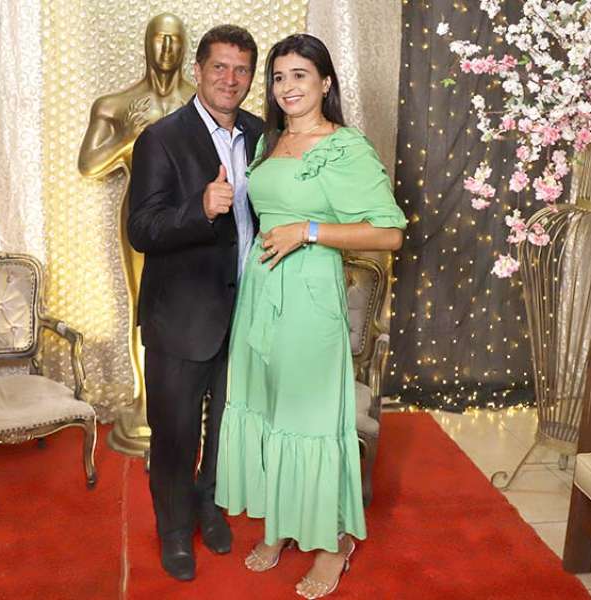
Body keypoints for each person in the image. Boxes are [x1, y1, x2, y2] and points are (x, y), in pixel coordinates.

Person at [215, 33, 406, 599]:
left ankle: (330, 544)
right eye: (278, 77)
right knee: (271, 409)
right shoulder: (268, 141)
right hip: (261, 295)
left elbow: (389, 232)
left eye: (300, 75)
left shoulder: (345, 146)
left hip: (310, 298)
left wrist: (309, 230)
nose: (287, 86)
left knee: (311, 418)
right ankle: (281, 521)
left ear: (325, 82)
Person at [127, 24, 263, 582]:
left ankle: (209, 504)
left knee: (227, 429)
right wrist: (199, 209)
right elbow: (142, 228)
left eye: (241, 69)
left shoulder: (262, 133)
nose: (231, 79)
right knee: (176, 434)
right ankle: (175, 529)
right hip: (181, 320)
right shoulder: (161, 138)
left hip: (246, 315)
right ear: (199, 71)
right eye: (220, 67)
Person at [78, 13, 197, 456]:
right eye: (159, 39)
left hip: (192, 213)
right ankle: (147, 401)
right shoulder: (116, 104)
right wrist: (136, 139)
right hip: (142, 212)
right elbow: (89, 164)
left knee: (189, 306)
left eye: (174, 40)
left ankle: (182, 399)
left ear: (185, 46)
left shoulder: (199, 100)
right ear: (146, 43)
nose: (166, 49)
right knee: (144, 307)